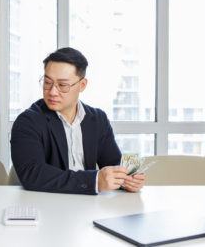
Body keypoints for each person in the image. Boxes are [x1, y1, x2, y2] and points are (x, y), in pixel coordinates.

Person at [10, 47, 146, 195]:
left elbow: (113, 164)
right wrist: (94, 181)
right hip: (47, 204)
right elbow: (33, 174)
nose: (52, 92)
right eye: (47, 82)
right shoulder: (27, 122)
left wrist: (127, 180)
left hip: (89, 205)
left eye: (62, 85)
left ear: (82, 85)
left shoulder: (98, 119)